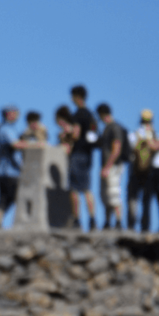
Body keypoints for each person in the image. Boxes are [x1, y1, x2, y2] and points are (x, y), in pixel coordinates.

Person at [68, 85, 98, 231]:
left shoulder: (78, 114)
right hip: (88, 155)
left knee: (74, 189)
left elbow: (75, 134)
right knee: (87, 189)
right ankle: (92, 220)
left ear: (76, 97)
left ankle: (77, 220)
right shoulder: (91, 115)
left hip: (77, 153)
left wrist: (67, 135)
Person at [95, 103, 127, 230]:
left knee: (114, 194)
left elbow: (116, 148)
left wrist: (108, 166)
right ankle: (108, 221)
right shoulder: (107, 128)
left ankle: (118, 221)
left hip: (114, 166)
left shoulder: (114, 127)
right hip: (107, 166)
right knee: (105, 195)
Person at [126, 109, 156, 230]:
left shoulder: (134, 134)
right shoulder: (155, 135)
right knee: (147, 199)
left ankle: (131, 224)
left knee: (133, 198)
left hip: (134, 170)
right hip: (149, 171)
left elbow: (129, 150)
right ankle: (145, 226)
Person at [0, 105, 21, 228]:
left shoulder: (8, 128)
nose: (16, 115)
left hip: (5, 171)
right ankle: (0, 223)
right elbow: (15, 144)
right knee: (10, 198)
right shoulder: (6, 129)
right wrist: (35, 145)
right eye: (13, 113)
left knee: (5, 199)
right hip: (8, 171)